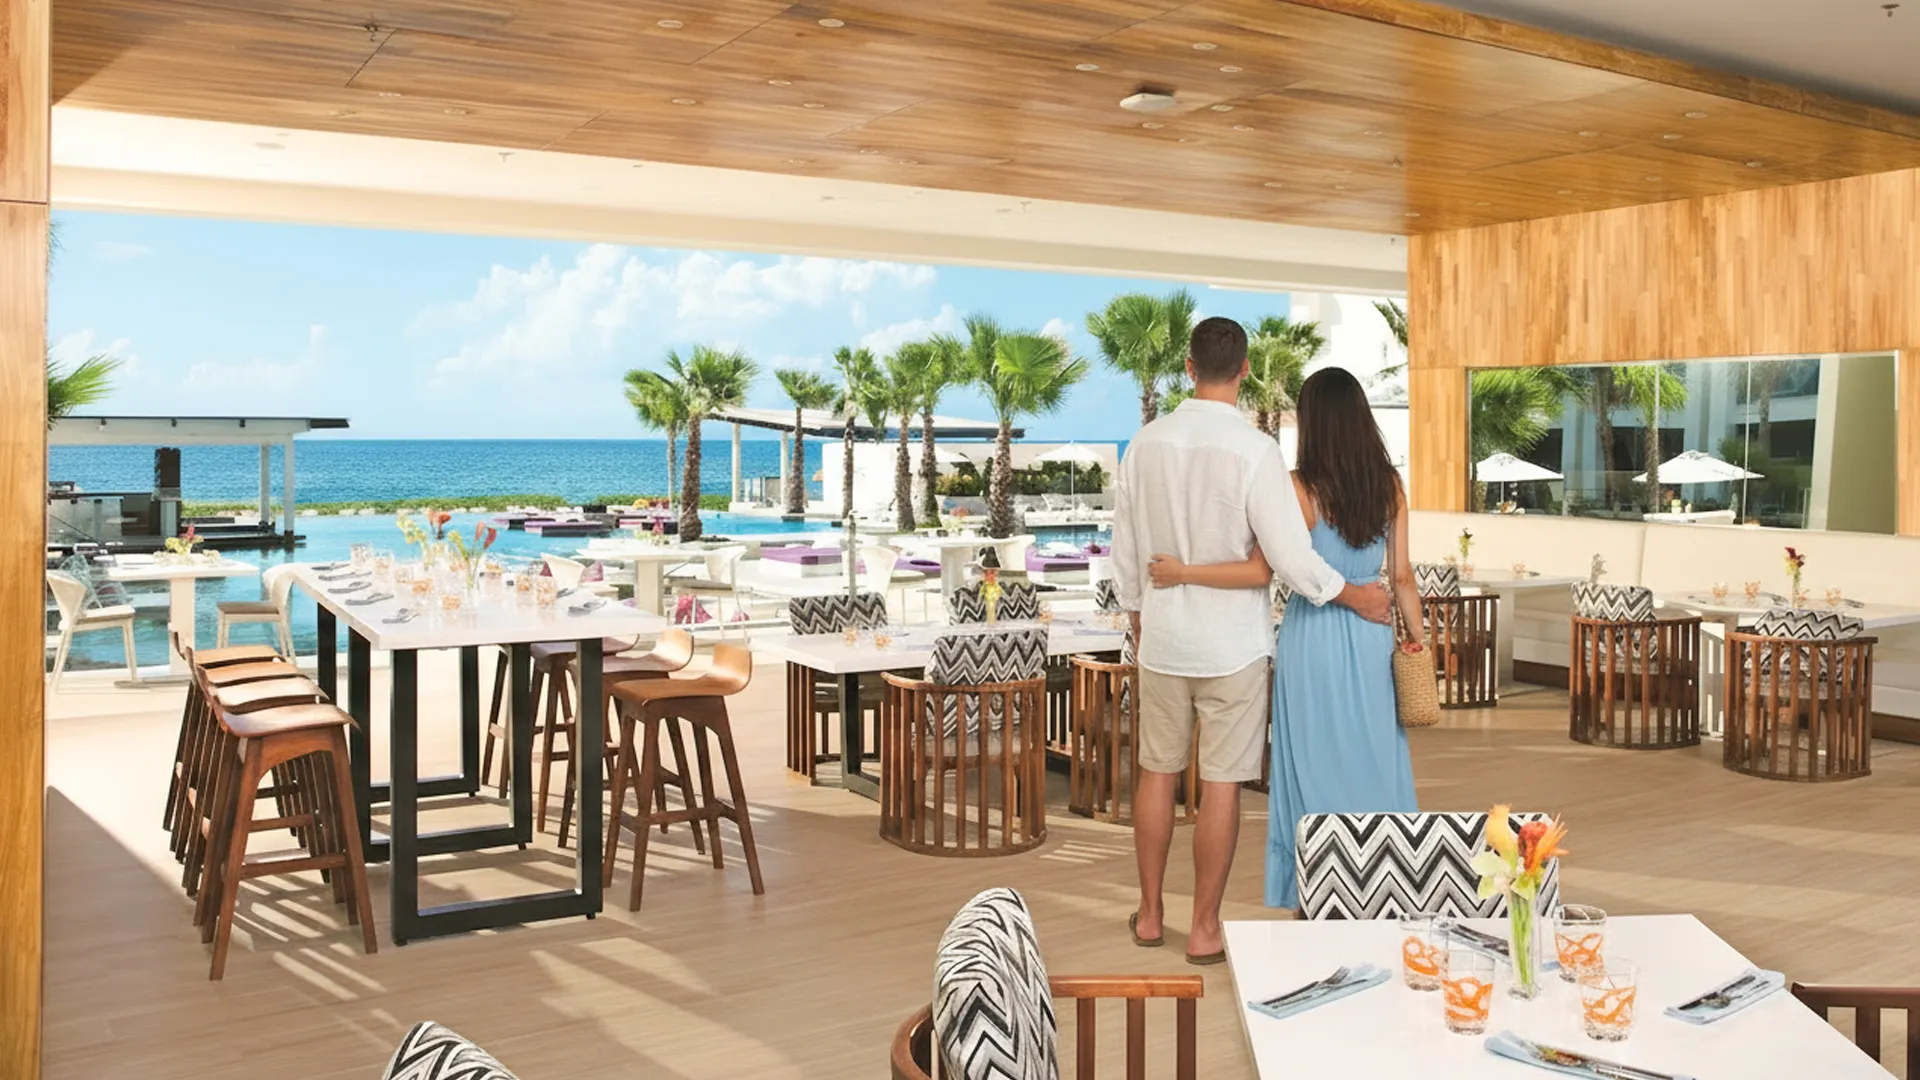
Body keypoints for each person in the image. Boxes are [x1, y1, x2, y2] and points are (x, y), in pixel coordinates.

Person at [1110, 318, 1391, 964]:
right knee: (1223, 784)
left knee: (1155, 773)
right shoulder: (1255, 450)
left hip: (1164, 639)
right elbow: (1289, 556)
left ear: (1188, 367)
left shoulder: (1143, 444)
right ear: (1242, 372)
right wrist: (1351, 594)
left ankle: (1151, 915)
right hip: (1234, 645)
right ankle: (1205, 928)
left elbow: (1125, 548)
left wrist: (1136, 617)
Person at [1147, 366, 1424, 911]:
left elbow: (1271, 567)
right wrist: (1417, 640)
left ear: (1312, 423)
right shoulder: (1390, 485)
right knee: (1374, 758)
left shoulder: (1299, 488)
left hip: (1311, 641)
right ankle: (1386, 882)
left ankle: (1316, 890)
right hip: (1370, 638)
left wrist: (1182, 572)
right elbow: (1403, 578)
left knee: (1310, 764)